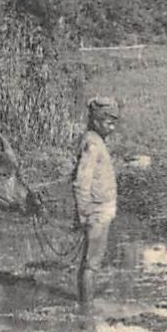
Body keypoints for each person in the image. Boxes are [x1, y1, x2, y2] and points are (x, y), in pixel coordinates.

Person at [71, 96, 119, 301]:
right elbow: (82, 182)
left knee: (93, 261)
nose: (113, 128)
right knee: (92, 263)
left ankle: (86, 305)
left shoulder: (97, 141)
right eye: (109, 122)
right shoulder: (92, 144)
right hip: (96, 212)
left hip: (101, 210)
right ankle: (86, 311)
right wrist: (83, 214)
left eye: (114, 122)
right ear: (97, 121)